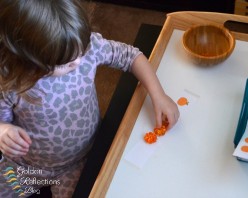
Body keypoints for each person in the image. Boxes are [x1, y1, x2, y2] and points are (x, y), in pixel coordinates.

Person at [0, 0, 179, 197]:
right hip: (27, 167)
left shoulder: (86, 47)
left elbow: (132, 56)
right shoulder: (11, 81)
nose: (77, 61)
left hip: (80, 162)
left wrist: (158, 94)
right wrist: (4, 130)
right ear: (27, 60)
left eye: (81, 51)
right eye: (64, 63)